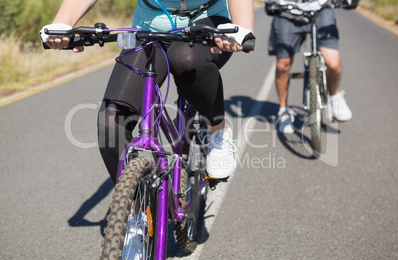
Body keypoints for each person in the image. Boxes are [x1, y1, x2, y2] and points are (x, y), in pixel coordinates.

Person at [40, 0, 255, 182]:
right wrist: (63, 22)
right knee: (110, 123)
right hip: (150, 26)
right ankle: (135, 213)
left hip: (208, 21)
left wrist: (242, 27)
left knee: (186, 60)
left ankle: (217, 130)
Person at [265, 0, 356, 134]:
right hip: (286, 10)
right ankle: (283, 110)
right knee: (282, 65)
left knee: (333, 63)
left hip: (322, 8)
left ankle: (335, 96)